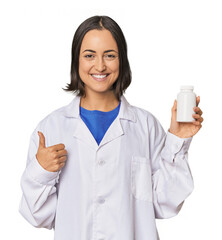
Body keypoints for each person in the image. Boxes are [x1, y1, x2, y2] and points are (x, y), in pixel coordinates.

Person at [19, 15, 204, 240]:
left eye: (110, 55)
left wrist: (177, 139)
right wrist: (42, 171)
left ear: (122, 60)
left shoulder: (145, 126)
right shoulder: (51, 128)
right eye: (89, 55)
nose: (100, 65)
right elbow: (38, 216)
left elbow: (165, 204)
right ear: (76, 60)